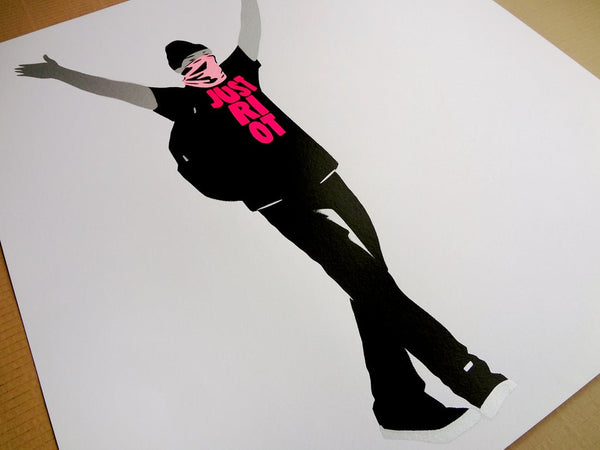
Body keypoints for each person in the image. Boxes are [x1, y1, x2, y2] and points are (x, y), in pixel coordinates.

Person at [16, 0, 515, 442]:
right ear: (183, 77)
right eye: (188, 67)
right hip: (284, 204)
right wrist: (63, 75)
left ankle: (399, 404)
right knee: (371, 285)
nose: (198, 68)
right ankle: (468, 376)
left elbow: (250, 28)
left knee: (372, 287)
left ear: (213, 57)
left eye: (202, 58)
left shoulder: (241, 73)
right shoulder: (182, 104)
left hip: (328, 178)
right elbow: (120, 91)